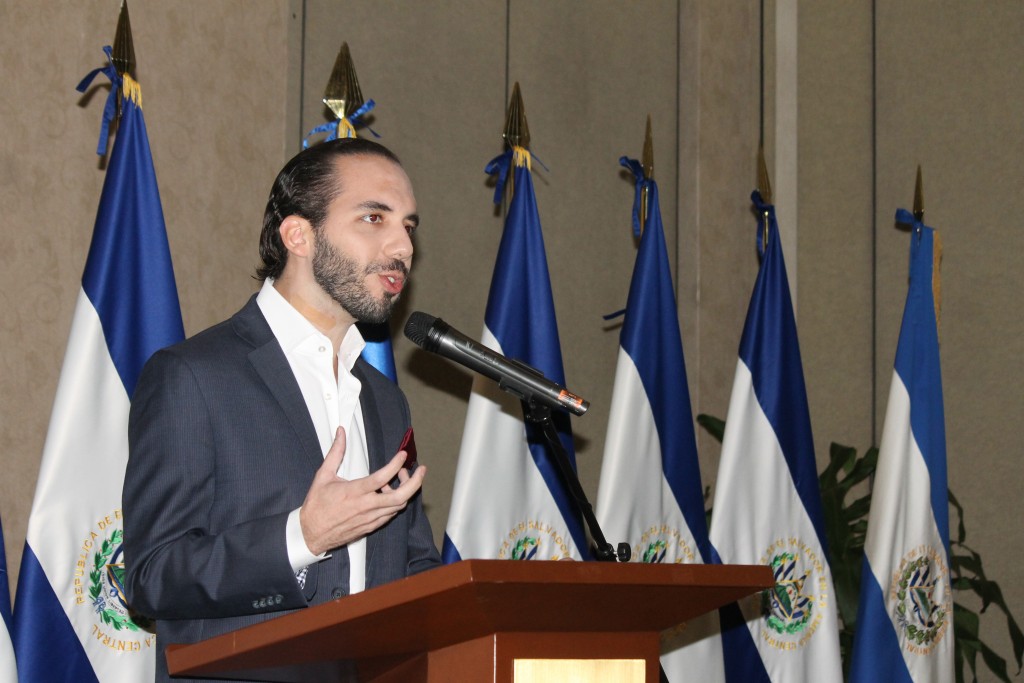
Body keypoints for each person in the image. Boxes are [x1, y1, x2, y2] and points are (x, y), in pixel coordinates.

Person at [123, 138, 442, 682]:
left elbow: (410, 567)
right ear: (298, 235)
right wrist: (302, 537)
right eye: (374, 218)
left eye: (408, 226)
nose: (402, 247)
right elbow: (152, 577)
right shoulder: (193, 376)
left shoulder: (385, 399)